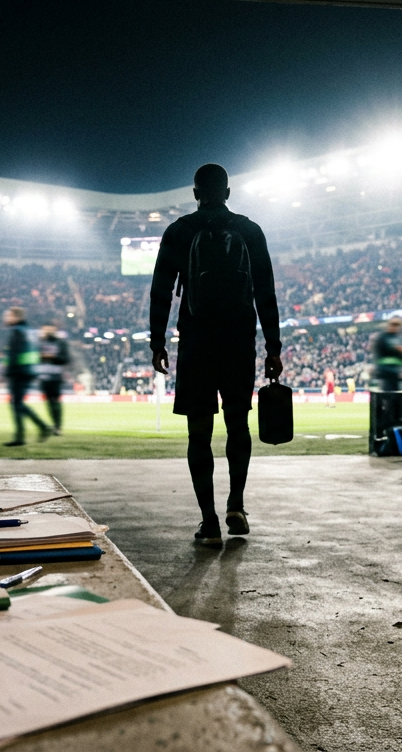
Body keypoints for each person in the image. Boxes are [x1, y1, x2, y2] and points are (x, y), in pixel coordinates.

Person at [149, 163, 282, 546]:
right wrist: (274, 347)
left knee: (198, 434)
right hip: (239, 341)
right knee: (238, 424)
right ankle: (236, 504)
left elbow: (161, 291)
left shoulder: (178, 231)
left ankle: (208, 523)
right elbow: (265, 293)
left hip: (196, 343)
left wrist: (157, 342)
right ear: (227, 192)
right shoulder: (250, 231)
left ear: (195, 193)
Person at [2, 307, 51, 447]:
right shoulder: (30, 331)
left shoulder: (16, 331)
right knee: (17, 403)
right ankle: (29, 432)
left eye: (8, 316)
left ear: (16, 317)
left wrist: (7, 372)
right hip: (29, 371)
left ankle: (31, 431)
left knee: (16, 403)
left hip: (19, 372)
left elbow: (13, 354)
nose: (6, 319)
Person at [36, 323, 70, 435]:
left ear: (54, 329)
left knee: (56, 401)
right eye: (45, 329)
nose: (47, 331)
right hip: (43, 377)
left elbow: (65, 359)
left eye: (49, 329)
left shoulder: (60, 342)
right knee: (49, 402)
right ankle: (55, 425)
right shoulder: (39, 343)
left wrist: (53, 357)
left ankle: (58, 426)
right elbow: (35, 357)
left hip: (55, 377)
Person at [372, 317, 402, 392]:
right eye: (393, 325)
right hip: (386, 373)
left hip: (396, 373)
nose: (395, 328)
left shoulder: (400, 339)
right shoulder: (382, 338)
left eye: (397, 326)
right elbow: (379, 355)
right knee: (388, 395)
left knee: (397, 396)